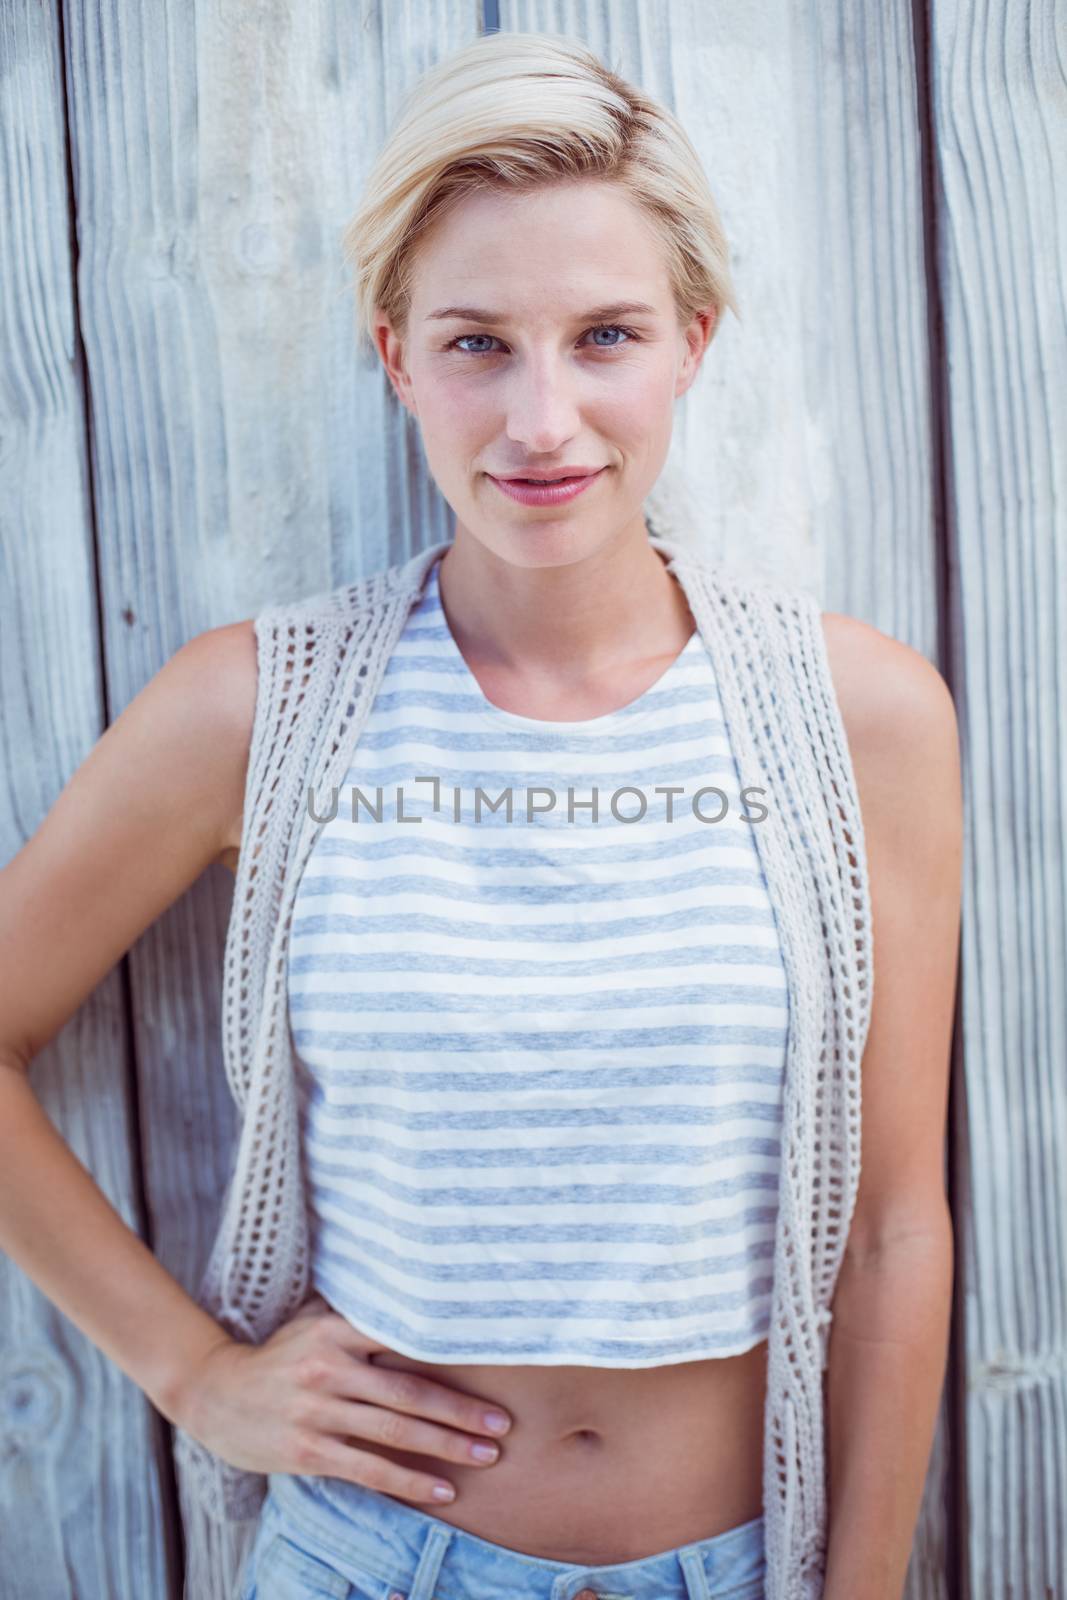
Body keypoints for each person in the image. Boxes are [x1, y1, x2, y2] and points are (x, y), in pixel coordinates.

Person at [0, 30, 961, 1600]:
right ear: (392, 355)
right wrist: (192, 1375)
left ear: (692, 342)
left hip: (739, 1568)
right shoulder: (261, 709)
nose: (541, 420)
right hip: (365, 1566)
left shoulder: (859, 721)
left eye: (603, 336)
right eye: (474, 345)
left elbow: (893, 1231)